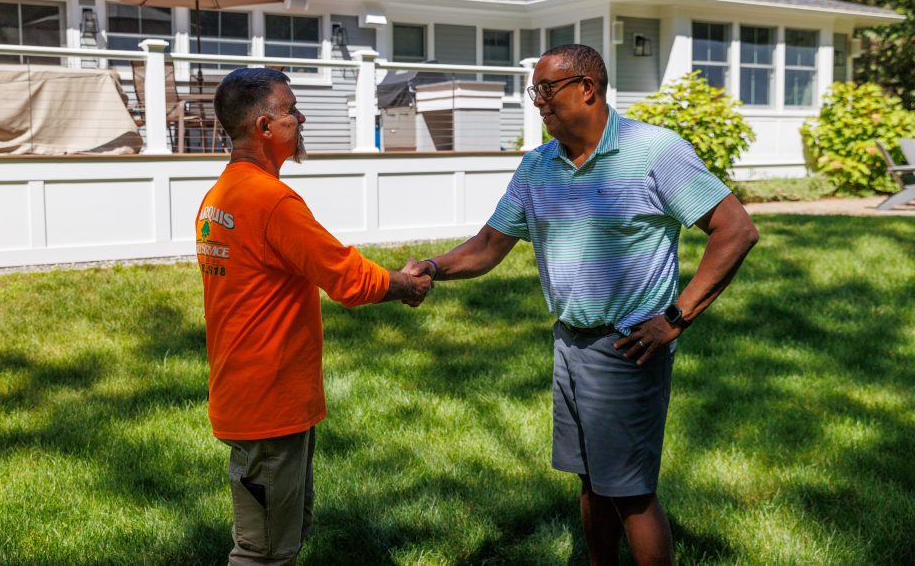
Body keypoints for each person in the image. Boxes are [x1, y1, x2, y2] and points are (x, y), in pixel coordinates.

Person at [407, 44, 759, 565]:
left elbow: (736, 229)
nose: (537, 102)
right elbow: (487, 247)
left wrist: (676, 318)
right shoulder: (537, 167)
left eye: (546, 90)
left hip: (628, 346)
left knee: (632, 492)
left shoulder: (655, 151)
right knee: (592, 479)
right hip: (569, 343)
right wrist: (434, 267)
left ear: (587, 88)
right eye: (535, 91)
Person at [196, 67, 432, 566]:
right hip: (269, 401)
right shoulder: (271, 201)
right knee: (261, 552)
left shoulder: (221, 196)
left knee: (282, 535)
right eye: (291, 110)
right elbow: (346, 276)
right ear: (264, 127)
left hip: (249, 392)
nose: (300, 118)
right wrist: (406, 284)